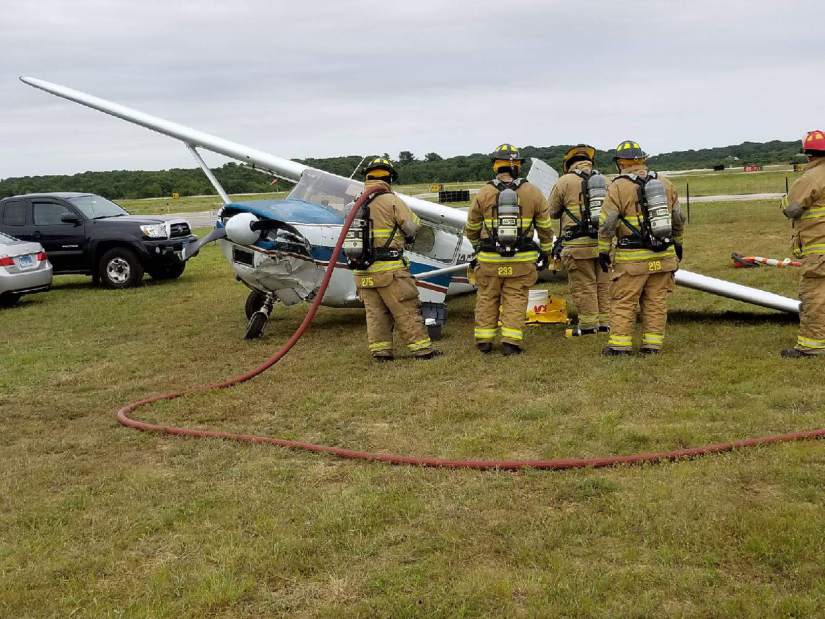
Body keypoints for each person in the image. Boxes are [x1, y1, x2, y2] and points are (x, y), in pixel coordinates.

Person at [347, 157, 440, 361]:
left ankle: (381, 353)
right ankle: (422, 350)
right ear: (389, 177)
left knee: (375, 314)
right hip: (389, 270)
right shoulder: (392, 200)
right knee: (406, 309)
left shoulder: (355, 203)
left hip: (362, 272)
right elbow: (412, 227)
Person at [597, 140, 685, 355]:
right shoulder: (665, 183)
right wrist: (678, 244)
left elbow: (607, 223)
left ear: (621, 163)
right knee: (656, 301)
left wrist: (602, 249)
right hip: (664, 256)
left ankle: (619, 346)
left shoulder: (617, 186)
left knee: (624, 301)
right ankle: (652, 346)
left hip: (632, 260)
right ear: (643, 160)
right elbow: (678, 218)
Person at [465, 144, 554, 354]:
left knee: (487, 297)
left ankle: (484, 342)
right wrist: (547, 251)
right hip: (521, 261)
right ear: (519, 167)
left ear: (496, 166)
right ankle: (511, 343)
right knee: (515, 299)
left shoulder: (484, 193)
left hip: (489, 260)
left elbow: (471, 228)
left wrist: (478, 248)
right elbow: (545, 228)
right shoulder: (533, 192)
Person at [549, 144, 610, 335]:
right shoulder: (607, 181)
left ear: (569, 164)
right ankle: (606, 323)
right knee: (604, 284)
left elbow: (552, 212)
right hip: (603, 245)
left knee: (584, 286)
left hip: (577, 246)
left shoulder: (564, 182)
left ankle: (588, 326)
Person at [780, 130, 825, 357]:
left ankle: (811, 346)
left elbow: (791, 209)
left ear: (808, 154)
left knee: (814, 295)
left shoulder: (813, 177)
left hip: (820, 249)